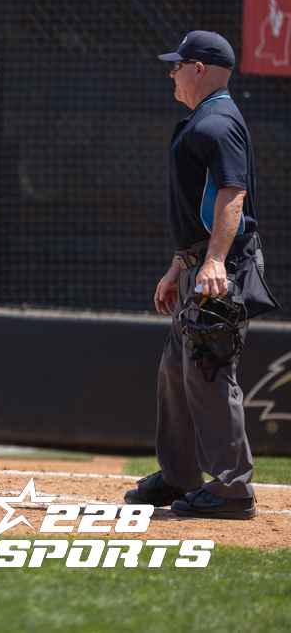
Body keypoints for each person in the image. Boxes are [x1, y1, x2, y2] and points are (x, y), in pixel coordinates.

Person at [125, 31, 278, 520]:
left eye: (176, 65)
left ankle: (234, 489)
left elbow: (232, 196)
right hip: (199, 265)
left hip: (219, 270)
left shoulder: (217, 122)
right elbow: (202, 207)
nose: (171, 73)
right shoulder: (205, 120)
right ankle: (179, 476)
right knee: (177, 370)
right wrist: (179, 266)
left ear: (198, 68)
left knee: (209, 371)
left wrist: (213, 262)